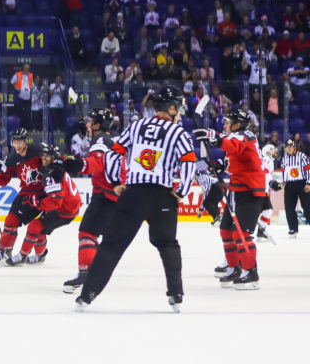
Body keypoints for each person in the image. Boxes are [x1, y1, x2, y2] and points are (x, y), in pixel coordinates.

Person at [76, 87, 196, 312]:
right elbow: (189, 162)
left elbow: (113, 153)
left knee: (111, 246)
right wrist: (182, 191)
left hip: (133, 193)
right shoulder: (178, 132)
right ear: (170, 108)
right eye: (178, 108)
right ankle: (176, 295)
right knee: (168, 244)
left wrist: (114, 183)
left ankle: (87, 295)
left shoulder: (137, 125)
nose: (179, 112)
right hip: (162, 197)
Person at [193, 109, 265, 290]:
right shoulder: (237, 136)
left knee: (242, 235)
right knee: (226, 231)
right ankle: (234, 267)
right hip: (236, 191)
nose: (224, 125)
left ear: (237, 125)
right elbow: (232, 158)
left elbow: (233, 145)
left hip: (249, 192)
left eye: (228, 122)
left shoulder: (245, 136)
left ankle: (251, 273)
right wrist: (217, 165)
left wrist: (213, 138)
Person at [61, 108, 120, 293]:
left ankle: (87, 274)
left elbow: (96, 163)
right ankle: (94, 272)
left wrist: (80, 164)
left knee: (87, 232)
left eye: (90, 121)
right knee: (94, 234)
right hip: (116, 194)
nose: (86, 124)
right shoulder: (115, 137)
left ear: (97, 124)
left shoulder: (100, 139)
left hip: (105, 194)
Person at [6, 145, 81, 266]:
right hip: (68, 206)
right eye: (43, 155)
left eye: (47, 156)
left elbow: (56, 200)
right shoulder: (56, 167)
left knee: (35, 226)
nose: (44, 158)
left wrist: (38, 203)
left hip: (65, 210)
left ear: (54, 158)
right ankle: (40, 256)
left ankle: (22, 255)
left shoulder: (52, 173)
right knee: (39, 230)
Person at [0, 128, 44, 265]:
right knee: (10, 221)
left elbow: (53, 163)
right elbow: (3, 179)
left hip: (42, 194)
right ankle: (3, 250)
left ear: (26, 142)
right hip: (25, 193)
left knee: (38, 229)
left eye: (20, 142)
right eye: (15, 142)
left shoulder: (38, 150)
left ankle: (40, 254)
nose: (17, 145)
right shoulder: (12, 158)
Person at [278, 138, 310, 238]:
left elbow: (308, 170)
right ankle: (293, 229)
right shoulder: (284, 159)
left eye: (291, 147)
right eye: (288, 147)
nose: (289, 149)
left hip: (302, 184)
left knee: (307, 206)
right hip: (290, 185)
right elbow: (283, 171)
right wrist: (284, 181)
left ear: (295, 147)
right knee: (289, 208)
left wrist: (308, 183)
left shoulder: (302, 156)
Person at [11, 63, 33, 130]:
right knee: (20, 113)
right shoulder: (18, 74)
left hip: (28, 97)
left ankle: (27, 129)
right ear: (23, 68)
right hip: (20, 97)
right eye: (26, 68)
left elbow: (31, 85)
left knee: (28, 114)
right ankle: (20, 128)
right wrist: (17, 88)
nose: (27, 70)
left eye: (28, 68)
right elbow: (12, 82)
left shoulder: (30, 75)